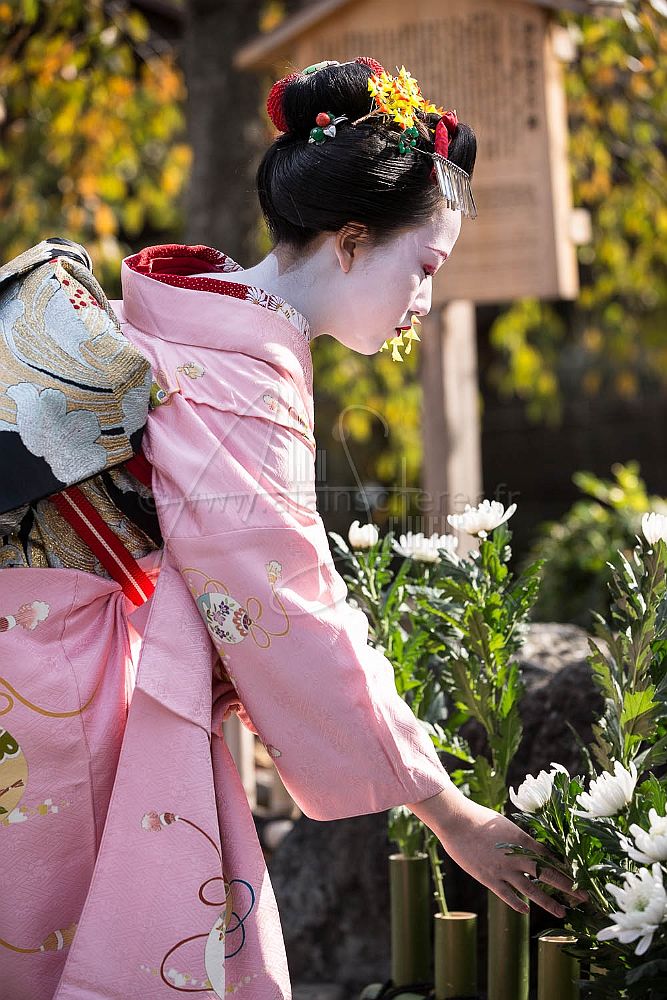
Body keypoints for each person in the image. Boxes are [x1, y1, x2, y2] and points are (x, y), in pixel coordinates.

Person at [0, 57, 583, 1000]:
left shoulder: (197, 316)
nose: (424, 302)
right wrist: (449, 812)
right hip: (55, 685)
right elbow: (289, 612)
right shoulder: (242, 381)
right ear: (350, 242)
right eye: (424, 267)